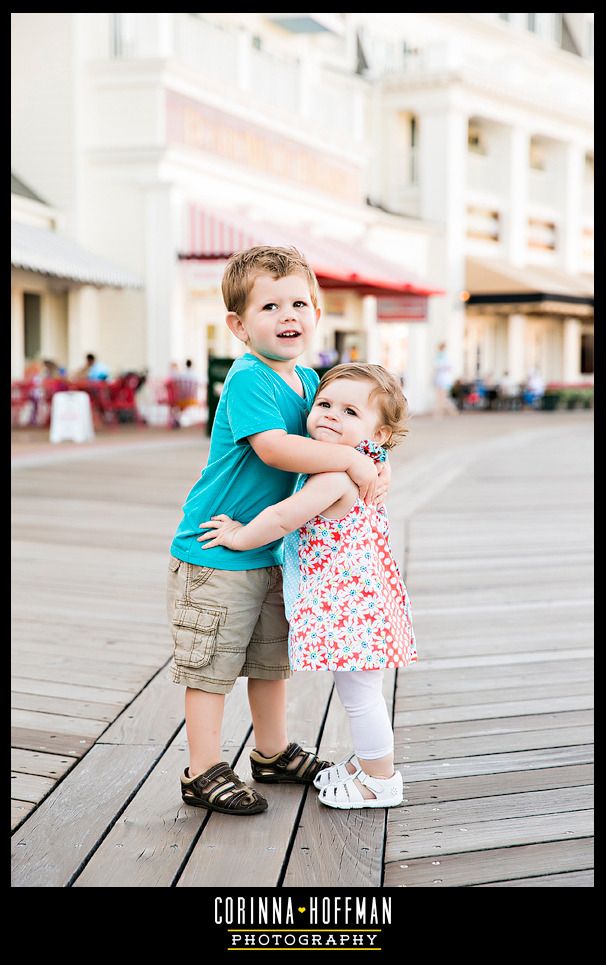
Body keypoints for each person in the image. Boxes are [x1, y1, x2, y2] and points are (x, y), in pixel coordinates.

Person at [168, 246, 391, 816]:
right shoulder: (249, 379)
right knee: (213, 664)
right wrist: (354, 465)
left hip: (271, 547)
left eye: (299, 302)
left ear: (316, 311)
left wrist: (369, 455)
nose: (288, 314)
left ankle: (270, 752)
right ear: (239, 326)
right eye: (270, 306)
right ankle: (202, 770)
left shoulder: (310, 378)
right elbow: (275, 448)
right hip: (219, 546)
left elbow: (343, 433)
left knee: (270, 659)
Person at [198, 363, 416, 810]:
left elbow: (282, 518)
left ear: (378, 435)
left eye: (350, 412)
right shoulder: (365, 465)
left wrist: (239, 536)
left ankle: (381, 779)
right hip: (366, 604)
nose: (332, 415)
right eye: (325, 404)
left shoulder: (334, 477)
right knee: (362, 692)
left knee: (361, 698)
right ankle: (367, 764)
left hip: (354, 611)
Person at [433, 342, 458, 416]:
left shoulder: (445, 357)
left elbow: (447, 367)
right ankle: (447, 411)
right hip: (440, 379)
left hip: (444, 380)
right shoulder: (439, 356)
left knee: (443, 397)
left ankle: (443, 412)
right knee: (441, 397)